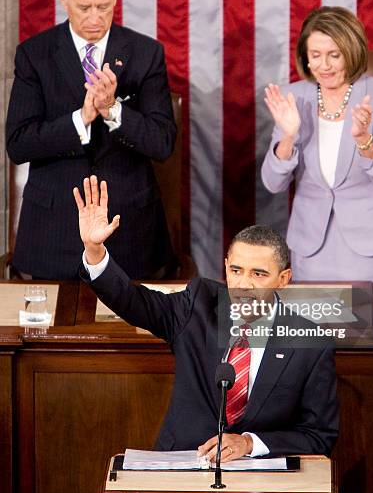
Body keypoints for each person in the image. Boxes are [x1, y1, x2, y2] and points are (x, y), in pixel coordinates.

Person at [74, 176, 339, 460]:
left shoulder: (310, 343)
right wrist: (95, 251)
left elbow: (319, 435)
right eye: (236, 270)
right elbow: (133, 301)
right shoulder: (198, 305)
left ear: (283, 278)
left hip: (260, 480)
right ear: (225, 267)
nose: (243, 284)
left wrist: (249, 443)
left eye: (258, 274)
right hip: (183, 463)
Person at [6, 0, 176, 279]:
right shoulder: (34, 55)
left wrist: (113, 109)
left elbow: (162, 143)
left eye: (105, 7)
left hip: (129, 231)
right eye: (84, 7)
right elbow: (19, 144)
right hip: (52, 232)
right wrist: (80, 119)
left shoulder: (146, 54)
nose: (95, 18)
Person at [261, 6, 373, 282]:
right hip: (311, 247)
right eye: (315, 56)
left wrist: (363, 139)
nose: (324, 65)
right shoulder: (292, 97)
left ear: (352, 53)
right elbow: (273, 183)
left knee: (371, 325)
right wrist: (288, 135)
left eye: (334, 55)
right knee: (313, 325)